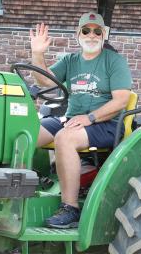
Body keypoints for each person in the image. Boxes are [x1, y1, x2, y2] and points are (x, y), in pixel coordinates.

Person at [31, 12, 132, 228]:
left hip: (106, 124)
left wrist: (90, 117)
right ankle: (23, 187)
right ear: (78, 34)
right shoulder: (70, 60)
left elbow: (121, 100)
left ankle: (70, 208)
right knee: (25, 132)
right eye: (86, 30)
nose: (92, 35)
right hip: (72, 119)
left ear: (104, 35)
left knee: (64, 138)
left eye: (97, 31)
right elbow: (45, 83)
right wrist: (37, 54)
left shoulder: (114, 61)